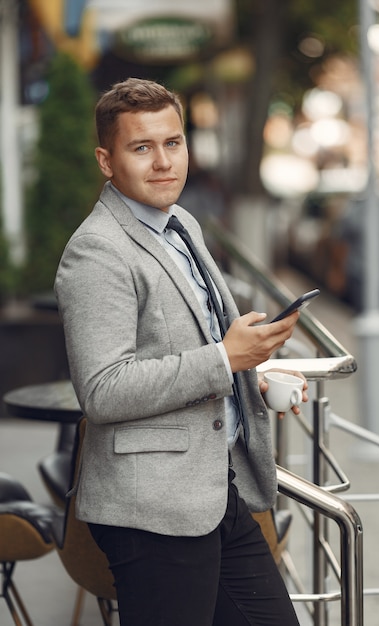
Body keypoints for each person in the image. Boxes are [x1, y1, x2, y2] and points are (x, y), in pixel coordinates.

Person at [54, 77, 307, 626]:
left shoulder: (180, 225)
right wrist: (225, 360)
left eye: (173, 143)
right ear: (106, 160)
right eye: (141, 147)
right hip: (151, 510)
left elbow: (195, 347)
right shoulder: (97, 252)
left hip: (214, 490)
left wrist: (252, 377)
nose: (163, 161)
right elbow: (103, 390)